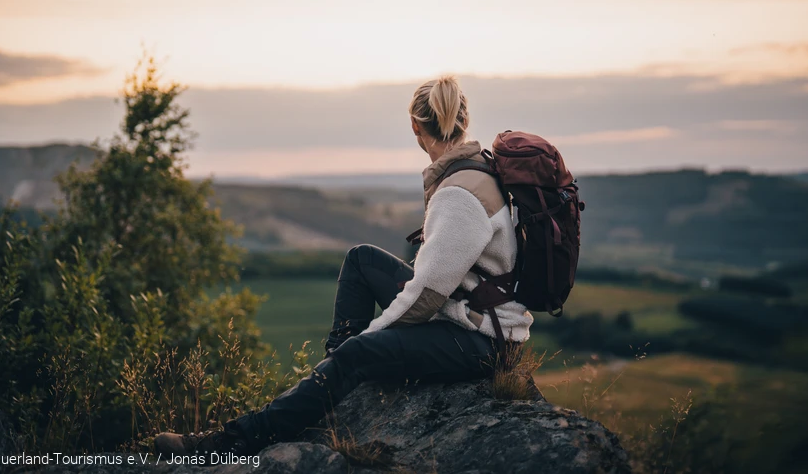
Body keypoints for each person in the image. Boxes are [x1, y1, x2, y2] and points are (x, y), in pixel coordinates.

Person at [154, 75, 534, 457]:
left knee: (356, 353)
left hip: (481, 340)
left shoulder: (458, 194)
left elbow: (427, 297)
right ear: (463, 121)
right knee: (361, 259)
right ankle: (331, 386)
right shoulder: (474, 171)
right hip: (467, 314)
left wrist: (366, 340)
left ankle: (232, 442)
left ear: (415, 127)